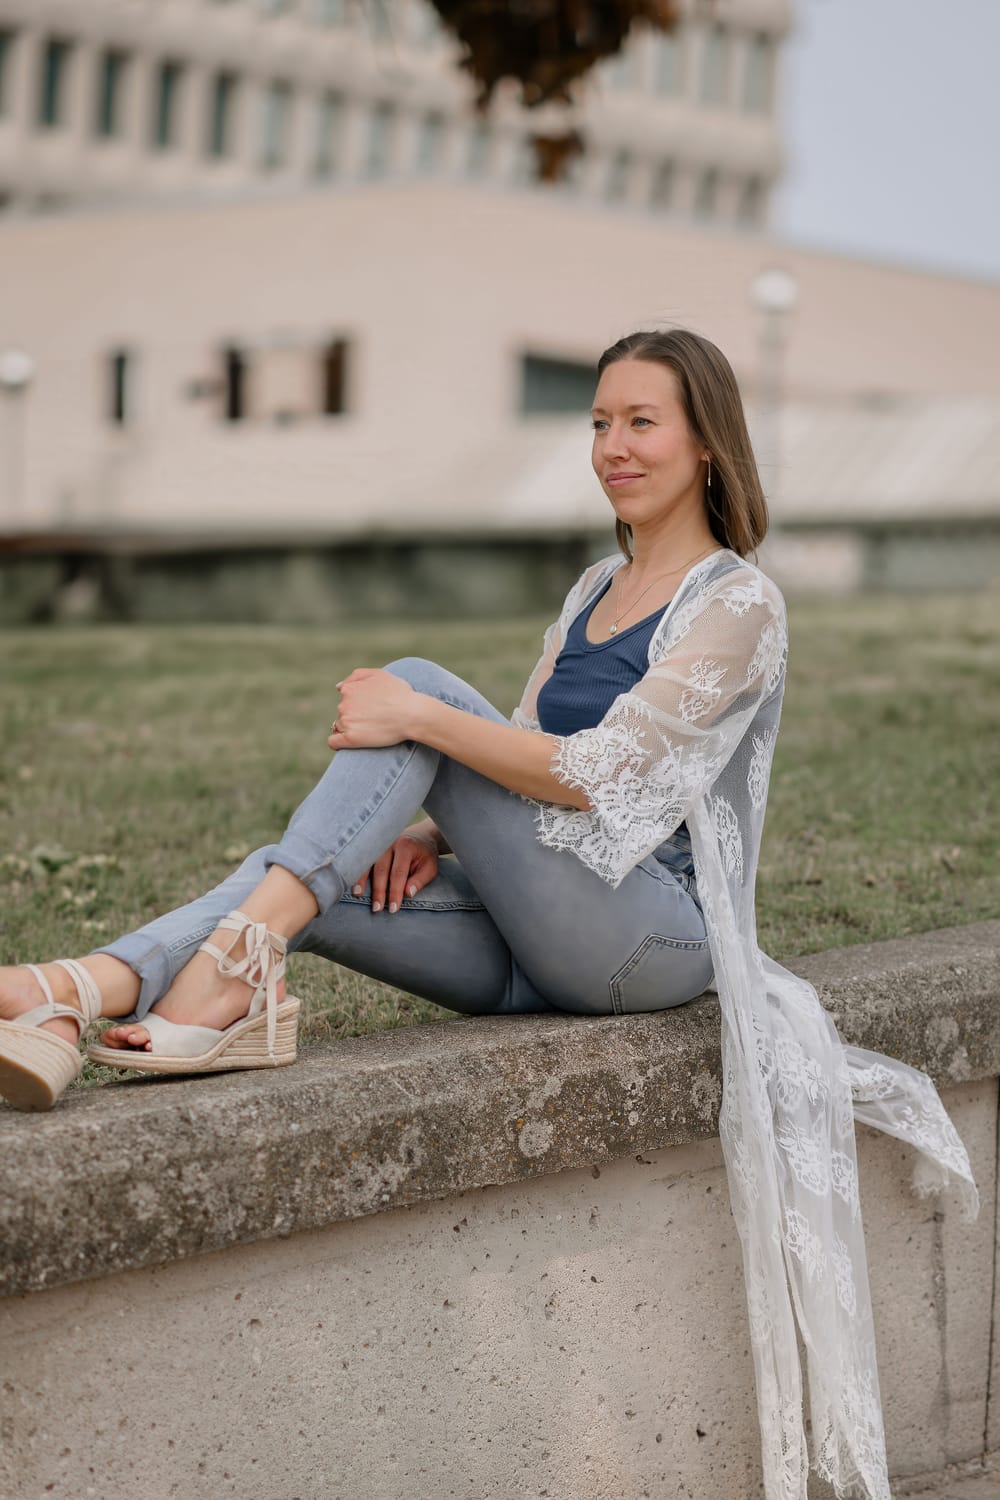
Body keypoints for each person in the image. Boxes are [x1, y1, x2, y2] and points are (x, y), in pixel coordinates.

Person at [0, 328, 977, 1500]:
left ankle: (126, 988)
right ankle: (78, 1005)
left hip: (643, 941)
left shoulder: (740, 604)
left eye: (641, 422)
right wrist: (416, 829)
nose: (613, 447)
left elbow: (597, 776)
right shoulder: (591, 592)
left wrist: (417, 717)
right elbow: (505, 764)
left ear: (709, 442)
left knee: (420, 693)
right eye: (599, 423)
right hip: (526, 939)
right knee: (318, 866)